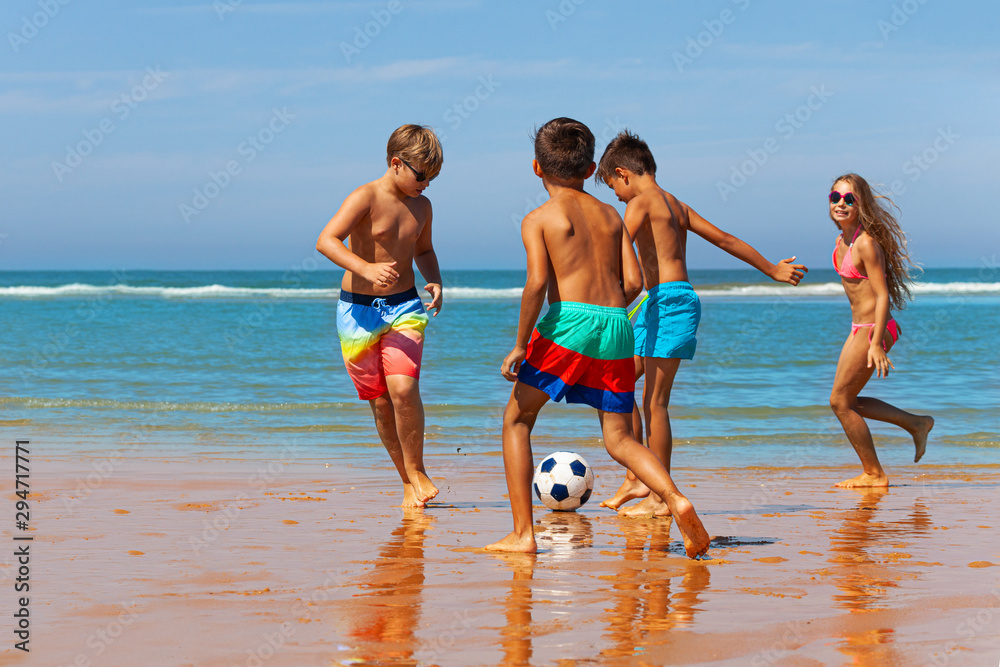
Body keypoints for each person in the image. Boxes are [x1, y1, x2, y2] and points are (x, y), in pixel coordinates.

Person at [484, 118, 710, 558]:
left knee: (517, 419)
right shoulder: (610, 215)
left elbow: (535, 286)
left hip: (570, 322)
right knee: (620, 438)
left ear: (536, 168)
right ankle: (673, 497)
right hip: (619, 324)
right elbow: (634, 282)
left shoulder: (539, 219)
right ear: (591, 170)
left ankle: (523, 535)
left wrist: (520, 343)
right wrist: (607, 313)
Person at [595, 130, 806, 517]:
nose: (617, 196)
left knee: (655, 401)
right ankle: (636, 477)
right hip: (656, 302)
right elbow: (724, 239)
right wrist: (772, 269)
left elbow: (616, 250)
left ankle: (660, 496)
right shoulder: (677, 205)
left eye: (613, 188)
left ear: (623, 174)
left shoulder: (640, 204)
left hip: (670, 301)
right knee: (622, 378)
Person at [316, 124, 444, 507]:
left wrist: (434, 280)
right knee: (381, 401)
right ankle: (407, 482)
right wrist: (365, 268)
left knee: (403, 390)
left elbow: (423, 250)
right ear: (396, 163)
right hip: (357, 311)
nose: (427, 184)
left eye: (433, 178)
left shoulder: (422, 206)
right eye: (422, 175)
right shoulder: (365, 197)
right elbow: (325, 240)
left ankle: (418, 469)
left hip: (405, 305)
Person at [825, 173, 933, 487]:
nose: (841, 204)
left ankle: (874, 474)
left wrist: (875, 343)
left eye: (849, 199)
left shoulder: (865, 243)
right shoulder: (841, 240)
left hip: (875, 328)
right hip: (859, 327)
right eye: (836, 198)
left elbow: (882, 295)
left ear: (862, 205)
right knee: (845, 401)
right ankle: (917, 423)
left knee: (839, 402)